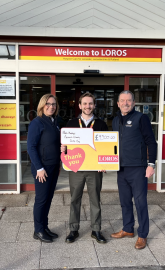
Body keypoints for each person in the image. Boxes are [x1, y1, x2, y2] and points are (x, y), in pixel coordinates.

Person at [110, 90, 157, 250]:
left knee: (140, 202)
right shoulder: (116, 121)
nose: (125, 103)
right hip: (121, 168)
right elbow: (112, 145)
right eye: (122, 100)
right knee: (124, 202)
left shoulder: (141, 118)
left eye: (128, 100)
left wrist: (151, 165)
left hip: (138, 168)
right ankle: (128, 229)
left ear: (134, 103)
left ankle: (142, 235)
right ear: (118, 103)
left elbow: (152, 142)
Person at [61, 92, 109, 244]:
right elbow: (67, 147)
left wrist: (105, 164)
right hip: (76, 168)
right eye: (85, 104)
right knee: (75, 199)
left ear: (94, 105)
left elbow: (106, 147)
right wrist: (64, 149)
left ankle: (96, 230)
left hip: (95, 169)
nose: (88, 106)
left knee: (95, 199)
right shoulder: (71, 124)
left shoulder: (101, 124)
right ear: (80, 105)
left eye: (90, 103)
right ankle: (73, 230)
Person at [27, 94, 61, 243]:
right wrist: (39, 168)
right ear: (42, 105)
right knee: (41, 199)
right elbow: (31, 147)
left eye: (53, 104)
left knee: (48, 198)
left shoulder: (56, 122)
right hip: (42, 168)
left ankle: (44, 227)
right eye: (48, 104)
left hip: (54, 166)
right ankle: (38, 230)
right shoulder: (37, 122)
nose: (51, 106)